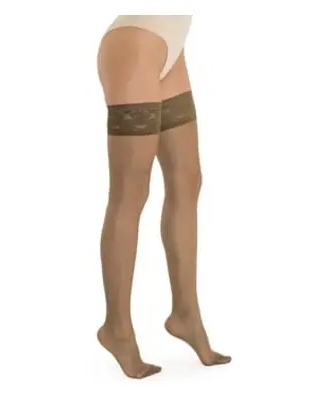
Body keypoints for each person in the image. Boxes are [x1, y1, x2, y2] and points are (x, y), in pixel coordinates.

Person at [96, 15, 231, 379]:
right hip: (135, 44)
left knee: (187, 180)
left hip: (169, 46)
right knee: (130, 192)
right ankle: (116, 328)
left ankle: (186, 313)